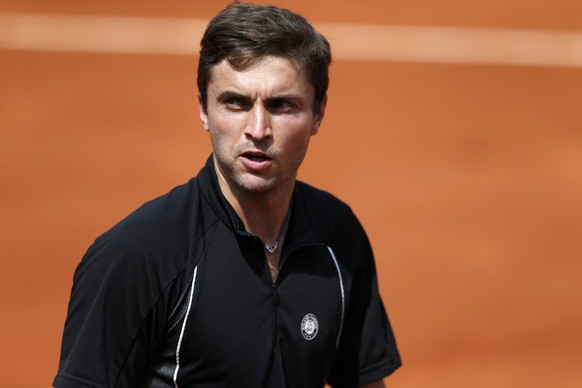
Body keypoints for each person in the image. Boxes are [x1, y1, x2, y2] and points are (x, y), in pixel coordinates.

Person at [53, 2, 401, 387]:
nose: (257, 129)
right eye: (234, 102)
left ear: (318, 114)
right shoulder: (139, 256)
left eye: (281, 105)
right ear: (203, 108)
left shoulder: (338, 237)